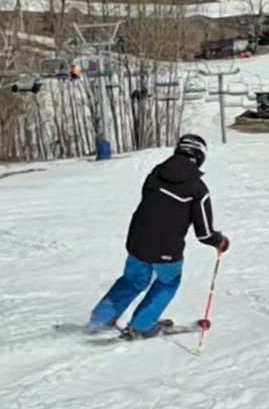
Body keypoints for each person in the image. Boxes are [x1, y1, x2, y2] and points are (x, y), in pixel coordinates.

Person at [88, 132, 229, 338]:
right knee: (168, 281)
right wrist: (220, 241)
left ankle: (101, 318)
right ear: (199, 157)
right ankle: (142, 325)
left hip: (137, 241)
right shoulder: (197, 189)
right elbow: (204, 233)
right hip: (166, 249)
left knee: (133, 279)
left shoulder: (156, 173)